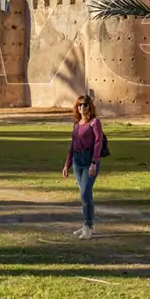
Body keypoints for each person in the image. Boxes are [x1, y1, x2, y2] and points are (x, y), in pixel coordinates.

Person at [62, 94, 103, 239]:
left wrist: (94, 162)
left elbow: (98, 142)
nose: (82, 107)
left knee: (85, 192)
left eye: (85, 104)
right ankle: (87, 224)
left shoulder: (94, 123)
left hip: (89, 160)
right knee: (85, 194)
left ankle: (88, 226)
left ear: (90, 106)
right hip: (77, 160)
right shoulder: (76, 124)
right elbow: (72, 145)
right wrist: (67, 164)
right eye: (79, 105)